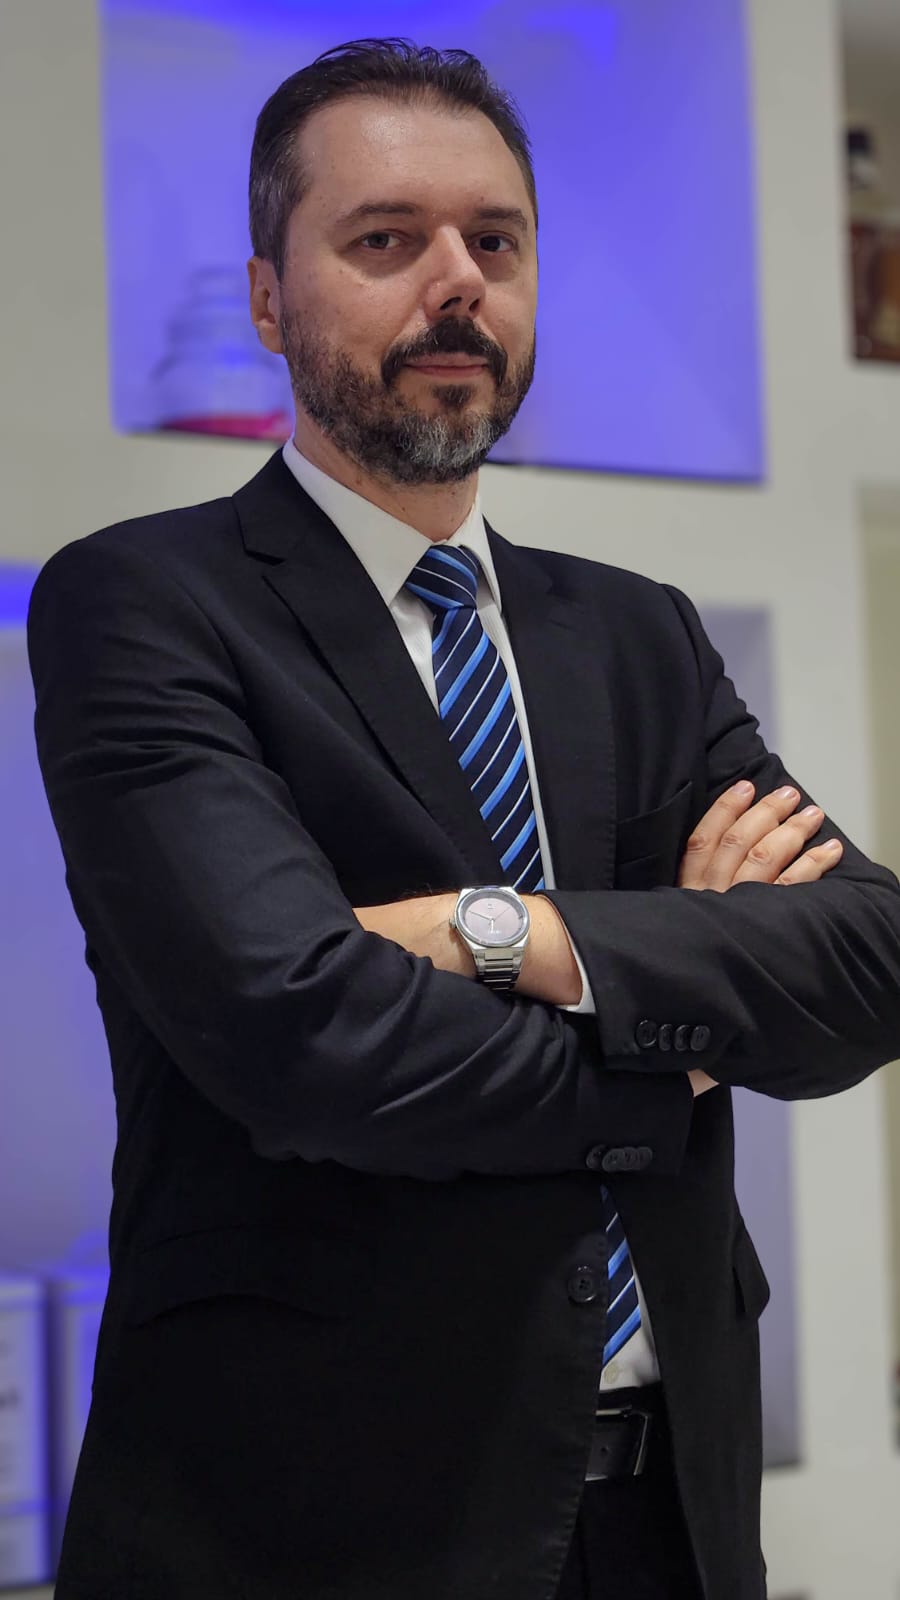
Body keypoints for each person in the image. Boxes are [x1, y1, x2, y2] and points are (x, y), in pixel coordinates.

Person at [26, 38, 900, 1600]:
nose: (457, 283)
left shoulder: (638, 632)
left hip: (674, 1513)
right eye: (386, 238)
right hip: (313, 1521)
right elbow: (302, 1033)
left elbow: (868, 962)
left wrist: (506, 935)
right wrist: (684, 1032)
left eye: (495, 240)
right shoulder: (144, 604)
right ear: (267, 299)